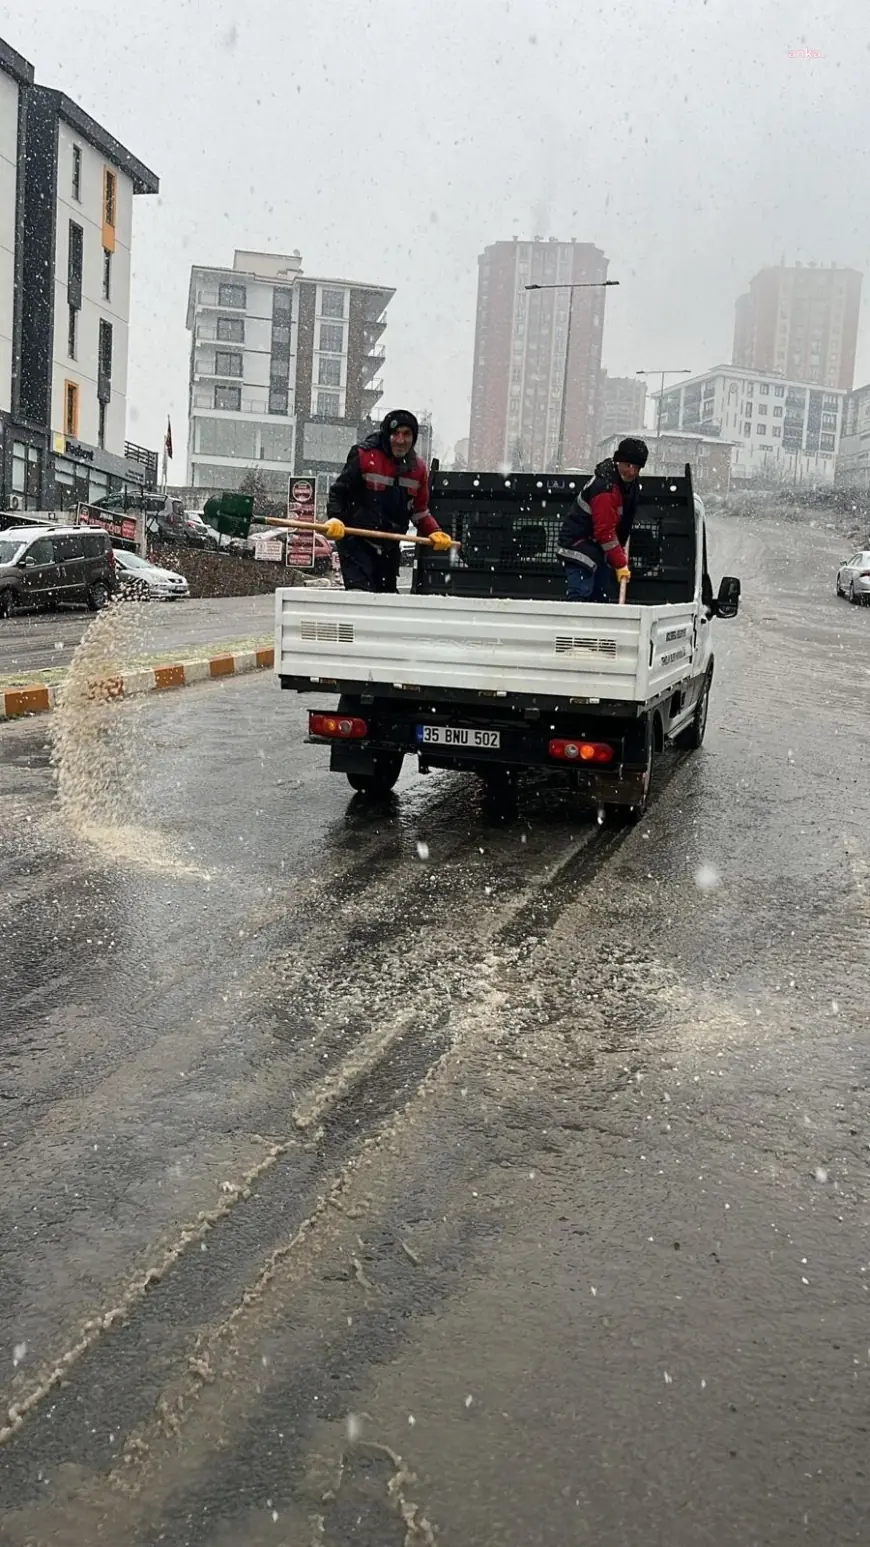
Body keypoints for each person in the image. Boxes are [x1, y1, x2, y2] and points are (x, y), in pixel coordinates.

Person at [324, 409, 452, 592]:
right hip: (356, 541)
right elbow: (339, 492)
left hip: (388, 547)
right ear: (387, 434)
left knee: (385, 600)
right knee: (360, 595)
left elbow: (419, 511)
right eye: (395, 434)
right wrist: (336, 517)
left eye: (406, 434)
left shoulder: (418, 469)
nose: (400, 440)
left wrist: (434, 531)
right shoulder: (364, 455)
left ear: (414, 438)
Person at [558, 437, 649, 602]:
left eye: (637, 467)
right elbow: (605, 533)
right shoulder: (605, 489)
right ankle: (577, 625)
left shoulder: (627, 486)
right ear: (618, 461)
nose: (632, 472)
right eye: (628, 465)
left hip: (596, 551)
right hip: (579, 548)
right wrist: (621, 563)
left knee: (600, 599)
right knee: (581, 598)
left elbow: (619, 526)